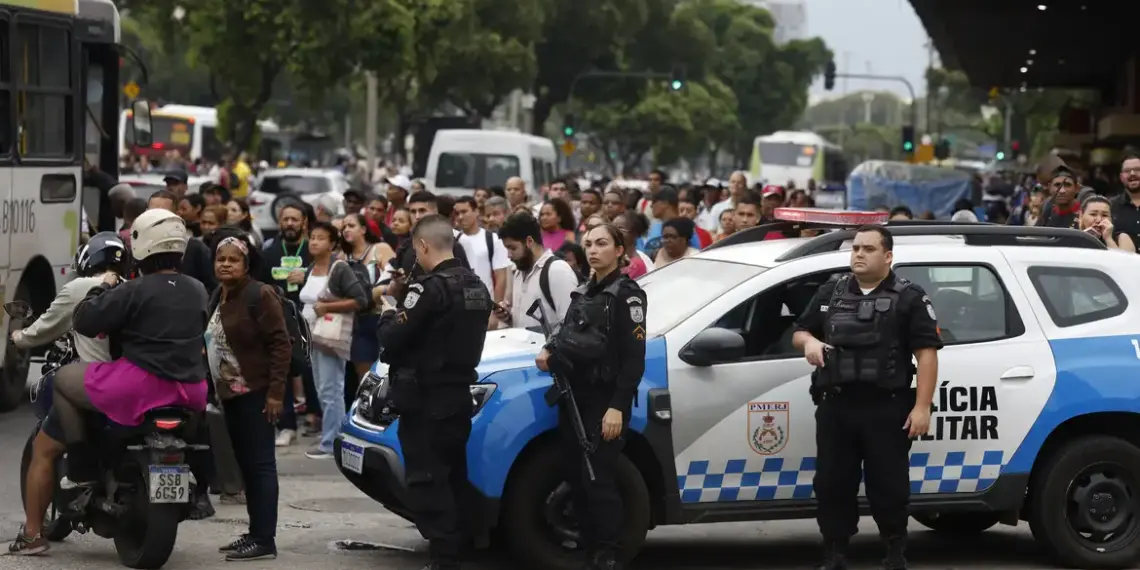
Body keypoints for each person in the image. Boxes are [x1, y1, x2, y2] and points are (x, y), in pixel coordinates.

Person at [9, 210, 210, 555]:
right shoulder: (196, 288)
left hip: (141, 384)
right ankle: (201, 489)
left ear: (141, 246)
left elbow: (86, 321)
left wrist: (103, 287)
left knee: (64, 379)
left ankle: (82, 469)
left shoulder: (133, 289)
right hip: (191, 388)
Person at [791, 225, 942, 570]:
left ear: (888, 256)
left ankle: (894, 552)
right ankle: (835, 552)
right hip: (836, 405)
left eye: (868, 249)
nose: (858, 253)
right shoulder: (832, 291)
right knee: (832, 483)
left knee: (888, 486)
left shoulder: (909, 297)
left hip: (886, 407)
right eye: (856, 247)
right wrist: (809, 343)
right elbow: (800, 331)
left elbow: (927, 355)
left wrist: (922, 407)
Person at [377, 214, 493, 570]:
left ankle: (446, 558)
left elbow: (393, 340)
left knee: (428, 480)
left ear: (423, 245)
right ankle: (465, 545)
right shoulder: (476, 286)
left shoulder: (427, 289)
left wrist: (388, 312)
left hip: (426, 398)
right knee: (453, 474)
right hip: (458, 395)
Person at [535, 223, 646, 570]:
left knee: (599, 479)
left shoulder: (627, 295)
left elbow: (633, 359)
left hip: (604, 401)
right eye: (588, 244)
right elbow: (564, 331)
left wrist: (617, 406)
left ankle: (608, 552)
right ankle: (587, 545)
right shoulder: (585, 291)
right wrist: (549, 348)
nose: (593, 250)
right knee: (577, 475)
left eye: (601, 243)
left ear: (618, 249)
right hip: (574, 397)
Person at [208, 232, 292, 561]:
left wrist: (275, 394)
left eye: (233, 259)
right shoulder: (220, 294)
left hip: (256, 394)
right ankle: (254, 532)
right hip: (229, 395)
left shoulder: (260, 294)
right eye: (221, 259)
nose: (226, 264)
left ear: (246, 264)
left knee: (260, 467)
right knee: (246, 466)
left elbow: (280, 345)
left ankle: (264, 539)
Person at [297, 221, 369, 459]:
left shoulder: (339, 268)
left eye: (320, 238)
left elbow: (360, 300)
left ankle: (332, 443)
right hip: (311, 336)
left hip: (330, 336)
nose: (314, 242)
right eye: (312, 237)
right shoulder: (310, 268)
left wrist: (327, 306)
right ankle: (332, 435)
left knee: (331, 389)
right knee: (322, 388)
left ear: (332, 244)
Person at [496, 212, 579, 331]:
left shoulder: (557, 270)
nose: (508, 255)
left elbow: (570, 325)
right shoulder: (519, 273)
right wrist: (507, 317)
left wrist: (549, 348)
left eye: (513, 248)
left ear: (529, 241)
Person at [148, 190, 217, 291]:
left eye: (163, 213)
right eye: (151, 213)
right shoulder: (139, 246)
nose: (156, 218)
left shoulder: (195, 249)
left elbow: (211, 288)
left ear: (177, 214)